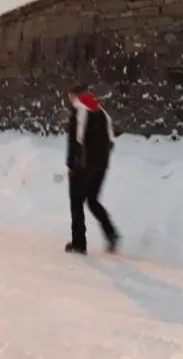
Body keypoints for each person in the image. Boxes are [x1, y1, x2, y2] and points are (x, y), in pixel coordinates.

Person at [64, 85, 119, 255]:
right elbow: (111, 140)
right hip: (101, 166)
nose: (70, 101)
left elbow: (76, 140)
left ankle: (79, 243)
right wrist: (99, 159)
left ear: (76, 95)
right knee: (92, 200)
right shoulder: (102, 111)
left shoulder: (79, 110)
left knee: (76, 202)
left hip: (83, 166)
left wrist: (72, 164)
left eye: (70, 97)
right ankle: (111, 233)